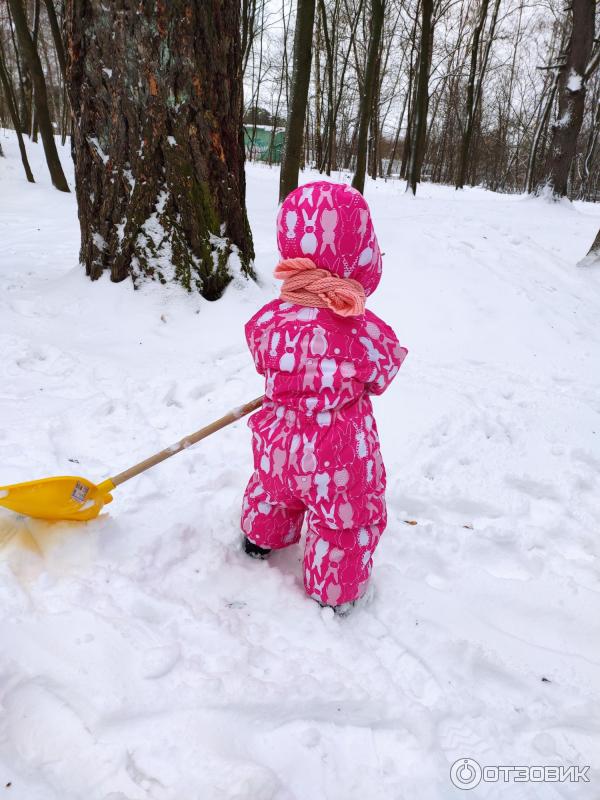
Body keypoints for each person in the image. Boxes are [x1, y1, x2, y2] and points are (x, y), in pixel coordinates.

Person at [241, 181, 407, 614]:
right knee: (346, 521)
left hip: (277, 441)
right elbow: (383, 370)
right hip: (337, 456)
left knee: (273, 489)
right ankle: (335, 593)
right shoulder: (362, 329)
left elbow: (260, 352)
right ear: (361, 253)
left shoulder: (270, 318)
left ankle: (260, 538)